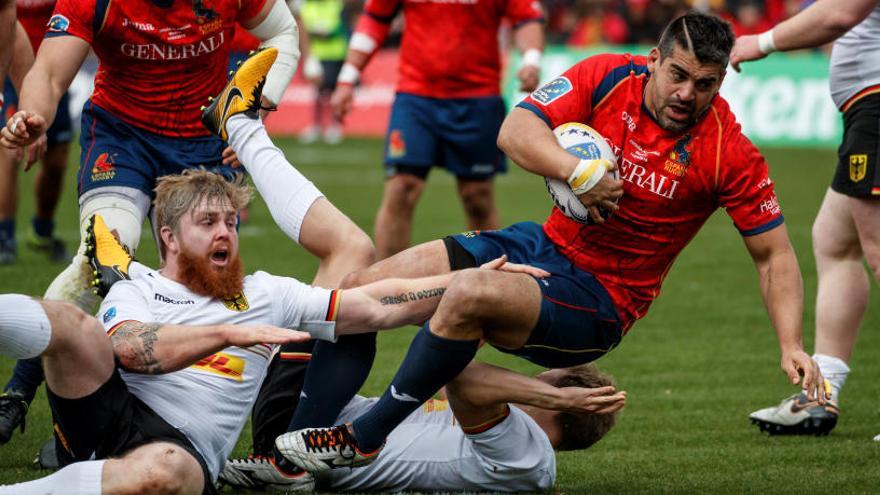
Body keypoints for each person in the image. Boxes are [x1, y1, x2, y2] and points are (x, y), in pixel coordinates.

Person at [273, 11, 828, 473]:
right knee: (360, 290)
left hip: (599, 300)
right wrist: (578, 173)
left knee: (467, 293)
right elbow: (515, 131)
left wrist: (790, 344)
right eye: (677, 74)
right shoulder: (607, 76)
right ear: (654, 60)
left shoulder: (727, 152)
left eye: (705, 84)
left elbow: (774, 254)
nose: (687, 94)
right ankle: (291, 458)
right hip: (540, 245)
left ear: (721, 82)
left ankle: (363, 438)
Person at [0, 0, 372, 441]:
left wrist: (253, 109)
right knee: (97, 263)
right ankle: (18, 395)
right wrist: (33, 115)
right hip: (124, 137)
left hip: (201, 139)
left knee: (198, 283)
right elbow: (49, 72)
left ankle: (155, 411)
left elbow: (284, 33)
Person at [730, 0, 880, 438]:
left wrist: (761, 42)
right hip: (865, 106)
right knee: (835, 240)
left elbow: (841, 13)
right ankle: (821, 394)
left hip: (875, 103)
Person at [330, 0, 545, 259]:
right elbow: (376, 17)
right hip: (416, 97)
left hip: (477, 99)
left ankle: (488, 281)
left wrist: (531, 60)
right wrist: (348, 77)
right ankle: (384, 286)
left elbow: (526, 18)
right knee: (402, 187)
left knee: (477, 196)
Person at [220, 361, 625, 492]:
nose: (532, 379)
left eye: (542, 379)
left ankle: (281, 468)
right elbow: (449, 370)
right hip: (325, 420)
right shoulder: (509, 429)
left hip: (315, 451)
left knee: (319, 306)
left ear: (557, 401)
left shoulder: (530, 452)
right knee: (341, 308)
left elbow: (463, 376)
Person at [0, 0, 71, 266]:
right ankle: (5, 235)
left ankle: (42, 228)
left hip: (51, 71)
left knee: (57, 160)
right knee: (8, 150)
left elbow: (9, 24)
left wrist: (29, 106)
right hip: (14, 74)